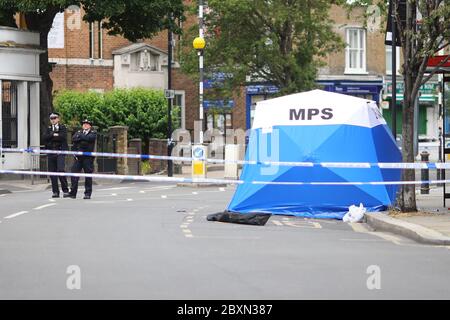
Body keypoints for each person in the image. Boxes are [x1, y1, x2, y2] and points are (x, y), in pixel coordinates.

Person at [66, 119, 97, 200]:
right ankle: (73, 193)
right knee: (74, 174)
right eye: (84, 124)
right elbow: (74, 139)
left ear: (90, 126)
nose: (85, 125)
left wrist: (81, 137)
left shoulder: (93, 133)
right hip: (78, 158)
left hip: (88, 158)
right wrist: (83, 138)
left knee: (88, 176)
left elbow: (89, 139)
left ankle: (87, 193)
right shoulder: (79, 132)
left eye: (87, 124)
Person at [43, 112, 69, 198]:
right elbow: (44, 138)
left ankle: (65, 190)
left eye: (55, 118)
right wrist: (53, 134)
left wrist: (52, 136)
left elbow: (63, 137)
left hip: (60, 151)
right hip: (51, 152)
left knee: (60, 170)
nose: (53, 120)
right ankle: (55, 192)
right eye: (51, 118)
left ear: (58, 119)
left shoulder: (63, 127)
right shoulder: (48, 128)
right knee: (52, 173)